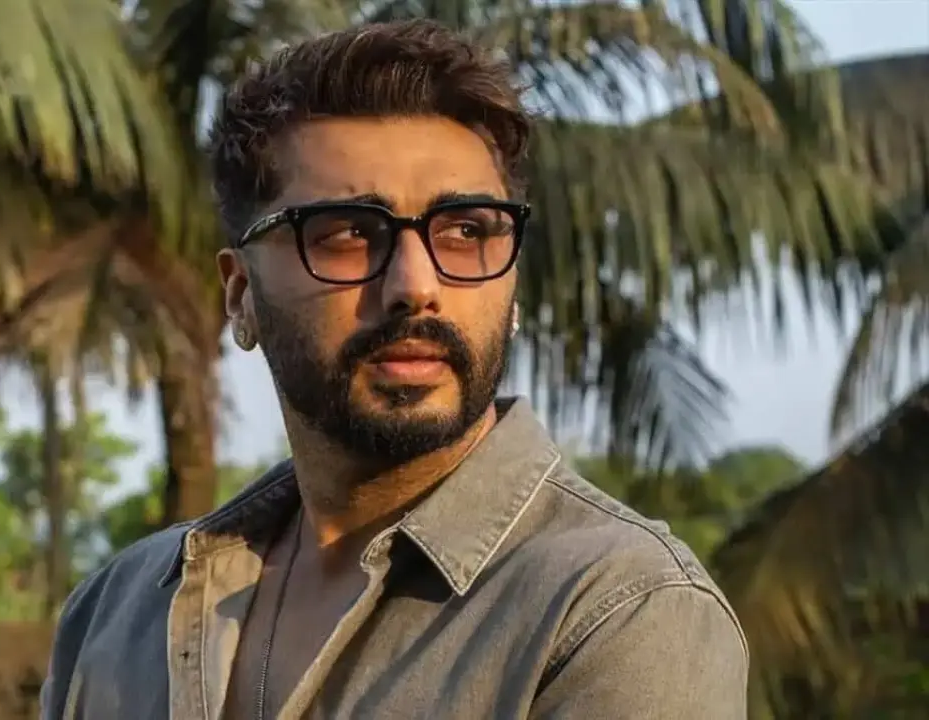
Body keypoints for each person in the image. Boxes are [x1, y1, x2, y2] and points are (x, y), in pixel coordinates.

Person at [40, 18, 748, 720]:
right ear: (241, 294)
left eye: (465, 230)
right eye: (349, 232)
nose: (416, 285)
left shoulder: (617, 612)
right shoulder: (115, 618)